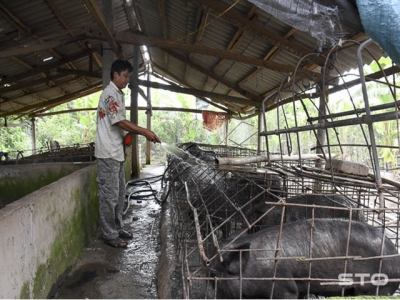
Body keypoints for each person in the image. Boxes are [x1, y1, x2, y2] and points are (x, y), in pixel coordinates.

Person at [95, 59, 161, 248]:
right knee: (109, 196)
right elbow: (120, 122)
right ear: (115, 74)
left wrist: (124, 145)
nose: (126, 80)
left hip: (115, 152)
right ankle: (109, 235)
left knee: (119, 193)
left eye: (128, 76)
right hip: (107, 153)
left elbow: (118, 126)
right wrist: (145, 131)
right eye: (125, 76)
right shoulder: (109, 95)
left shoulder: (117, 94)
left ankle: (117, 227)